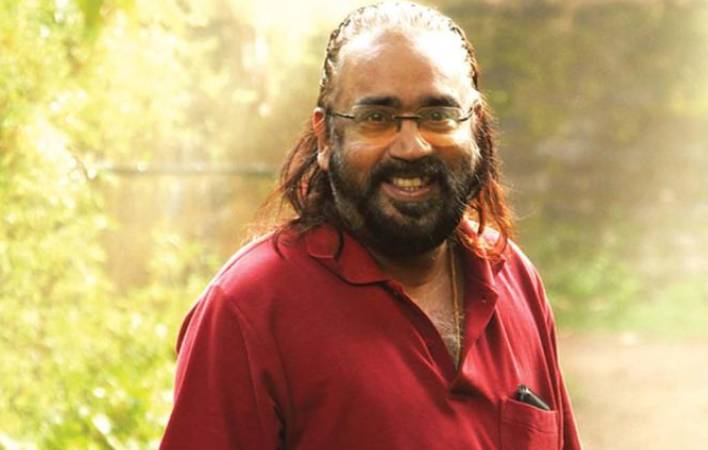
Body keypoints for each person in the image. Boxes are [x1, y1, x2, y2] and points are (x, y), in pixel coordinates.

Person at [159, 2, 582, 449]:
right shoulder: (249, 309)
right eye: (376, 118)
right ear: (326, 137)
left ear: (473, 127)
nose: (411, 146)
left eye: (438, 115)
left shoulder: (513, 277)